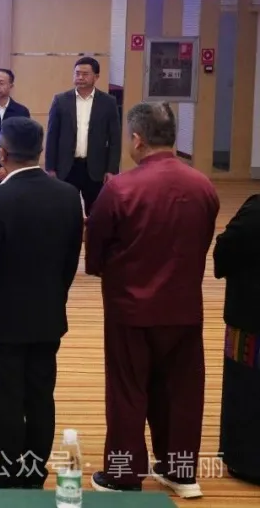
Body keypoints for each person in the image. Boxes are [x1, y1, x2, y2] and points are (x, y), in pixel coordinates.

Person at [86, 102, 218, 498]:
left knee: (128, 390)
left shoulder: (120, 188)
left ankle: (124, 474)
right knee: (181, 391)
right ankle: (181, 472)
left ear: (137, 139)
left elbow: (95, 251)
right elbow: (202, 241)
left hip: (130, 307)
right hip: (184, 306)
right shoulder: (203, 186)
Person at [0, 117, 83, 489]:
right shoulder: (67, 196)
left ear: (2, 152)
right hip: (47, 317)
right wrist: (54, 299)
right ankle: (33, 474)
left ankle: (5, 475)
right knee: (41, 396)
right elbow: (70, 262)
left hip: (1, 324)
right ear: (40, 151)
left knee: (6, 399)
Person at [213, 195, 260, 486]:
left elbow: (226, 250)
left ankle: (248, 462)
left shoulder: (256, 211)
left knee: (247, 389)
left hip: (251, 322)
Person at [46, 57, 120, 215]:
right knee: (65, 211)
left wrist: (112, 170)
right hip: (66, 167)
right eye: (77, 73)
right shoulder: (61, 100)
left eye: (85, 74)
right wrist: (50, 168)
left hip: (95, 168)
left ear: (96, 77)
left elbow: (115, 139)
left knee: (96, 213)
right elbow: (52, 136)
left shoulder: (108, 102)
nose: (80, 77)